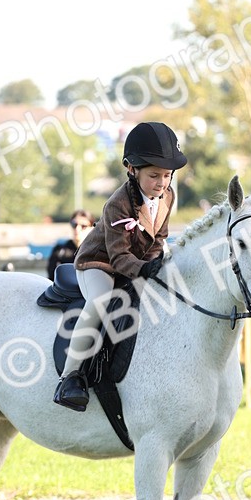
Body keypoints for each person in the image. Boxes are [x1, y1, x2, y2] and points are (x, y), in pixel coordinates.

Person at [53, 121, 187, 411]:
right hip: (98, 264)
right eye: (154, 175)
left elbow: (159, 238)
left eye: (167, 175)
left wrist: (156, 266)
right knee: (101, 302)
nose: (162, 183)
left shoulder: (168, 197)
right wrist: (144, 269)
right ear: (132, 169)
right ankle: (70, 376)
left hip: (134, 263)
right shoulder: (118, 204)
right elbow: (118, 257)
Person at [46, 210, 95, 280]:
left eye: (83, 226)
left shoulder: (97, 252)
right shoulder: (59, 251)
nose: (77, 229)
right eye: (74, 225)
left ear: (92, 228)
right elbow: (51, 278)